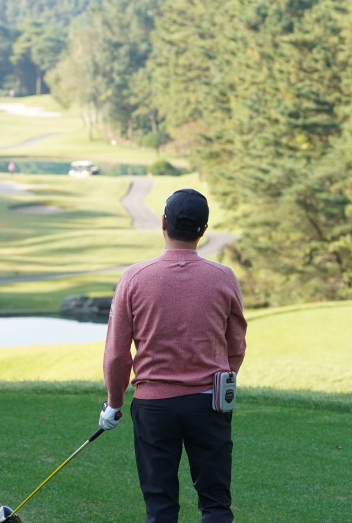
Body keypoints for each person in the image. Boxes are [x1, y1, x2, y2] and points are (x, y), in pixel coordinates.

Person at [99, 188, 247, 523]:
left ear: (163, 223)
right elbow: (236, 344)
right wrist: (224, 375)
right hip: (209, 403)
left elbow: (116, 355)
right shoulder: (223, 277)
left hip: (154, 407)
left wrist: (114, 403)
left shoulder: (134, 278)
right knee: (216, 505)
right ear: (204, 230)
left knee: (161, 508)